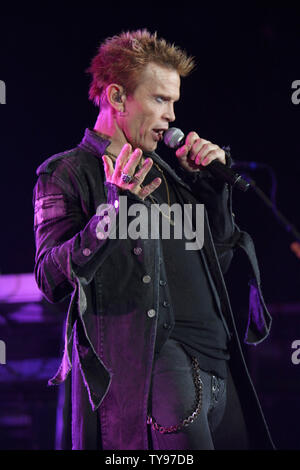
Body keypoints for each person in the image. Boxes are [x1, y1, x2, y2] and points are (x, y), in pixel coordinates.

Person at [33, 29, 274, 450]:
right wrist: (114, 208)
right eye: (160, 100)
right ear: (117, 96)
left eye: (174, 102)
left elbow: (217, 266)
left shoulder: (170, 175)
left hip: (221, 366)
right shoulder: (68, 173)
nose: (171, 116)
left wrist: (213, 192)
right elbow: (50, 275)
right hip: (162, 367)